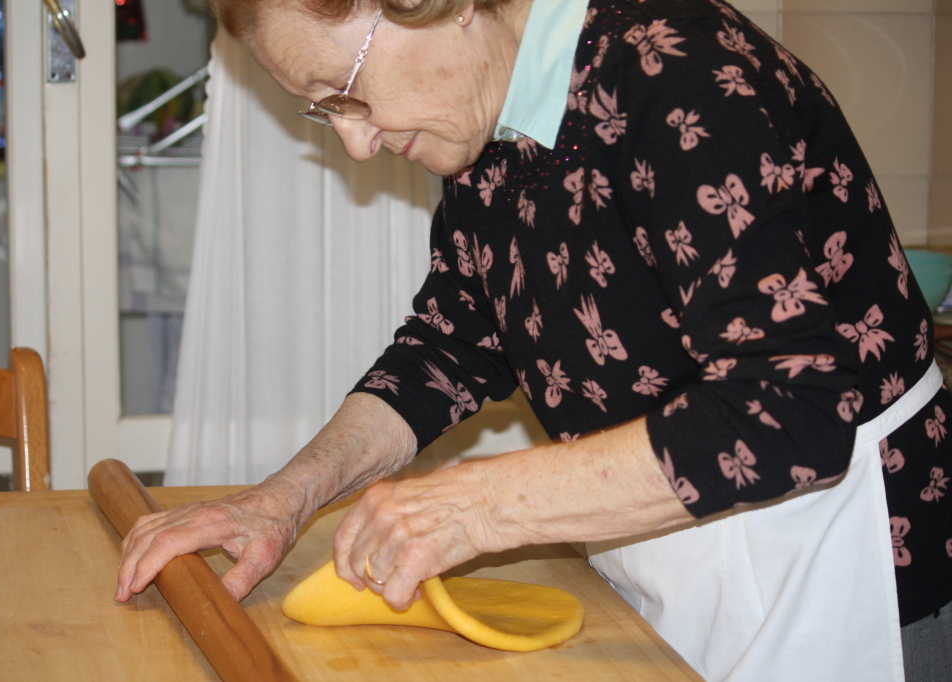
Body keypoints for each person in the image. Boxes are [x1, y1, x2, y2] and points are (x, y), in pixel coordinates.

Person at [115, 0, 952, 679]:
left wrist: (476, 504)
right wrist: (282, 498)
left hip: (842, 560)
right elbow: (451, 343)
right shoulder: (489, 131)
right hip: (673, 560)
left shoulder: (680, 72)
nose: (358, 143)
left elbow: (790, 411)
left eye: (347, 91)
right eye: (327, 109)